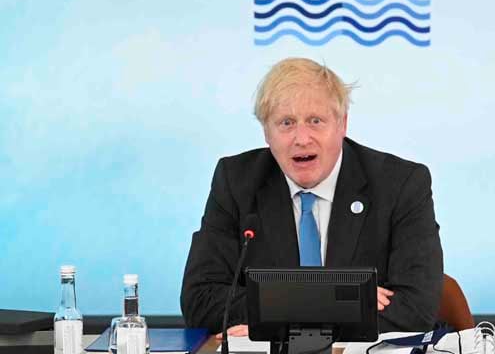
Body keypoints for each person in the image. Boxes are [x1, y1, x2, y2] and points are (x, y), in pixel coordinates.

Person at [181, 58, 443, 335]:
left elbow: (416, 309)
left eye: (315, 121)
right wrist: (334, 300)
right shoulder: (236, 181)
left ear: (342, 124)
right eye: (286, 123)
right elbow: (200, 302)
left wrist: (274, 319)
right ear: (266, 133)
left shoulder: (400, 184)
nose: (302, 138)